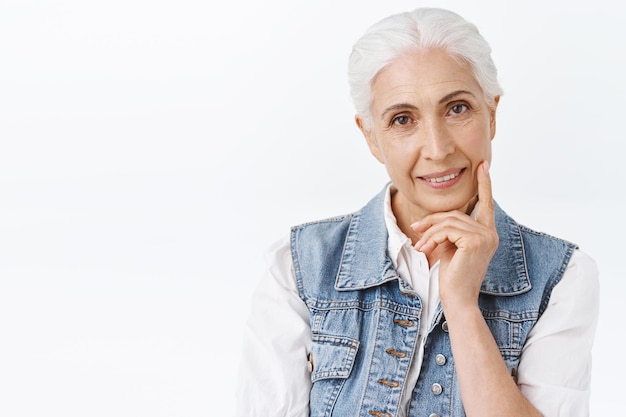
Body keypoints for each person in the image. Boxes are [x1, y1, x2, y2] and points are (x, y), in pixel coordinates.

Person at [235, 7, 599, 417]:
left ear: (492, 114)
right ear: (371, 137)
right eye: (403, 119)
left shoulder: (561, 277)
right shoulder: (297, 266)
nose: (438, 148)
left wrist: (461, 307)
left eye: (457, 108)